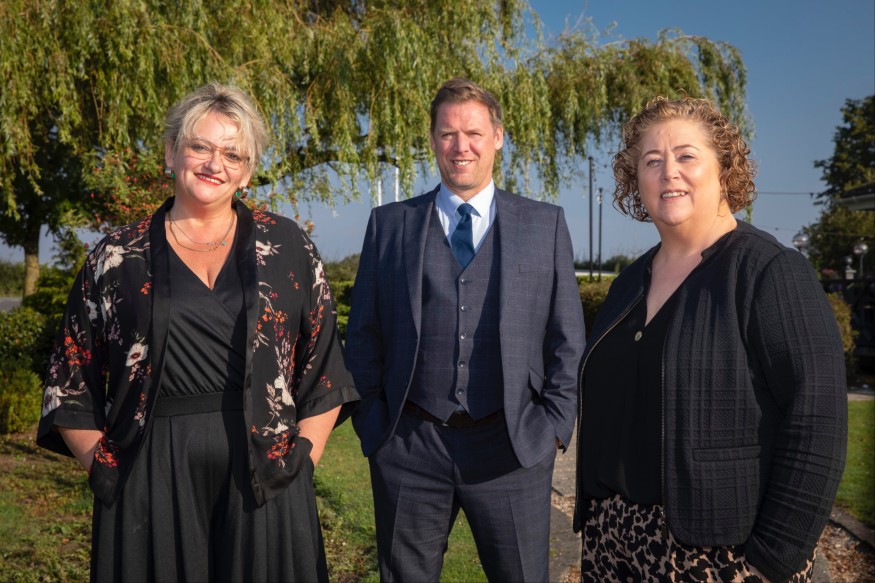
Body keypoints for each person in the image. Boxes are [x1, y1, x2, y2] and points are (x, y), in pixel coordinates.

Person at [37, 82, 358, 582]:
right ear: (171, 152)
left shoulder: (288, 246)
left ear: (247, 171)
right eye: (200, 147)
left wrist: (301, 463)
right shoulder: (116, 256)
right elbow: (70, 375)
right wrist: (104, 465)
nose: (215, 164)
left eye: (233, 154)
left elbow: (324, 365)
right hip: (148, 472)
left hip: (267, 473)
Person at [574, 96, 848, 583]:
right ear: (635, 180)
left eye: (686, 155)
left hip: (720, 555)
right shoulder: (627, 283)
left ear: (724, 169)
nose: (668, 172)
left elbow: (818, 422)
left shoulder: (769, 272)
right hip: (613, 543)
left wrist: (773, 559)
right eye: (651, 161)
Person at [345, 77, 585, 582]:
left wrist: (553, 428)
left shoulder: (544, 224)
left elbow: (567, 337)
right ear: (433, 140)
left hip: (512, 446)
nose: (461, 146)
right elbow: (363, 334)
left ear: (497, 136)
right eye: (448, 134)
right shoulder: (389, 225)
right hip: (409, 444)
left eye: (473, 133)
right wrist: (374, 423)